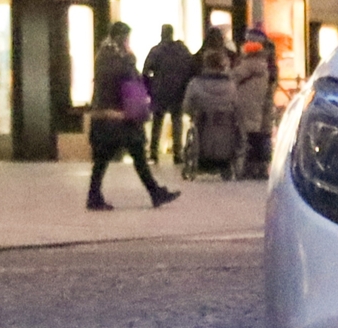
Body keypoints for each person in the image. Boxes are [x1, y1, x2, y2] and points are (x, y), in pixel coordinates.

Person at [88, 21, 178, 211]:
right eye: (126, 37)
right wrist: (130, 60)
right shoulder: (111, 56)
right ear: (119, 37)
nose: (127, 41)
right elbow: (121, 76)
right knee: (112, 157)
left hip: (115, 115)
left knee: (124, 156)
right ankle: (95, 195)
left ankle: (154, 192)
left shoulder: (109, 54)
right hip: (114, 116)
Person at [181, 47, 242, 177]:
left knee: (198, 127)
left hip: (203, 125)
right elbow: (236, 106)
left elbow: (187, 106)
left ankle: (200, 162)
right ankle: (226, 163)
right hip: (226, 128)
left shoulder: (195, 83)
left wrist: (192, 114)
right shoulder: (231, 85)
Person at [142, 24, 196, 163]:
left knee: (157, 122)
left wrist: (150, 87)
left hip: (160, 90)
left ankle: (154, 152)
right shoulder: (182, 50)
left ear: (162, 34)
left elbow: (146, 71)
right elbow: (191, 67)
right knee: (177, 121)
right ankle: (177, 153)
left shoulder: (156, 50)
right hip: (178, 90)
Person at [233, 37, 279, 179]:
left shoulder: (249, 64)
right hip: (264, 104)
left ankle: (249, 168)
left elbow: (232, 77)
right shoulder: (269, 66)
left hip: (248, 105)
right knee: (263, 136)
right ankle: (262, 168)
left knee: (250, 137)